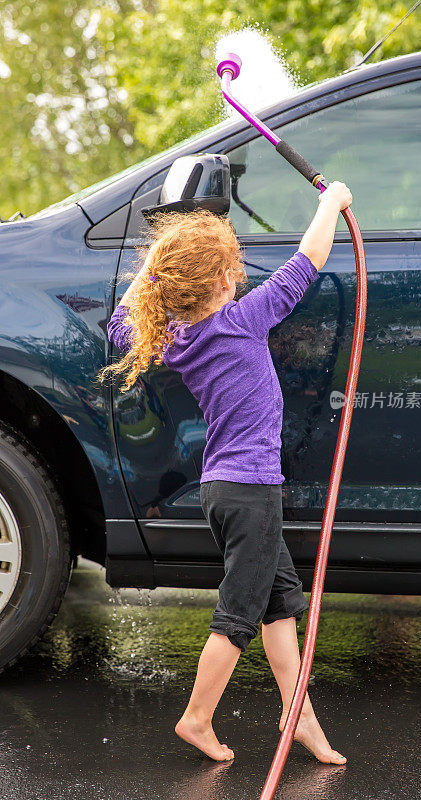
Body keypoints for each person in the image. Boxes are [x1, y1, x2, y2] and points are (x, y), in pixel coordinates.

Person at [98, 180, 352, 764]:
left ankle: (301, 719)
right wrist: (329, 203)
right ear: (221, 282)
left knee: (281, 604)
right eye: (231, 269)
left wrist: (155, 271)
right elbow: (306, 263)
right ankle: (196, 718)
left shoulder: (177, 336)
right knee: (238, 617)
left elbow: (119, 326)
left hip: (226, 490)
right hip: (251, 491)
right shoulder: (241, 320)